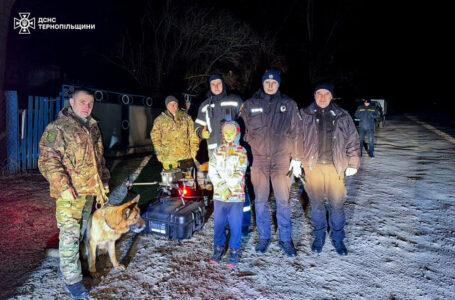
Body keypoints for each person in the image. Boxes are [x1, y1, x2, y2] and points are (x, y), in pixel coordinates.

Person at [38, 88, 110, 299]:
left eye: (90, 103)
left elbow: (100, 159)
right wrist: (63, 186)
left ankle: (67, 266)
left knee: (78, 233)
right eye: (82, 102)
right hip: (69, 194)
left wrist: (103, 180)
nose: (87, 107)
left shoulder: (93, 127)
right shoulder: (58, 127)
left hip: (88, 192)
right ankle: (73, 282)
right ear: (71, 102)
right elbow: (47, 160)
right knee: (69, 235)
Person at [240, 69, 302, 257]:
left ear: (279, 84)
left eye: (274, 83)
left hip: (282, 160)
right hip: (258, 160)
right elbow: (241, 132)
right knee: (260, 201)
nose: (270, 85)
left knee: (283, 201)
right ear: (263, 83)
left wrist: (297, 159)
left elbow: (297, 132)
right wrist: (245, 157)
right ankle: (264, 237)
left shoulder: (289, 104)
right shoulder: (250, 104)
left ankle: (285, 240)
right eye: (267, 82)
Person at [299, 83, 360, 256]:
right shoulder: (304, 114)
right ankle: (319, 237)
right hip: (313, 169)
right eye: (319, 93)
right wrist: (295, 160)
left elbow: (353, 141)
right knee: (317, 206)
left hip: (336, 169)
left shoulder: (342, 115)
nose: (323, 97)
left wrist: (353, 163)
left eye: (326, 93)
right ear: (314, 95)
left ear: (332, 96)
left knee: (337, 206)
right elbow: (295, 139)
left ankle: (338, 239)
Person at [194, 75, 251, 235]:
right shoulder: (205, 106)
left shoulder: (234, 100)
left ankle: (244, 223)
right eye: (213, 84)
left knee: (239, 187)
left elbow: (247, 119)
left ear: (223, 84)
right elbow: (197, 125)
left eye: (219, 83)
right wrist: (201, 132)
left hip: (233, 152)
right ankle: (226, 223)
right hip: (216, 154)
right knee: (220, 188)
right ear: (210, 86)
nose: (216, 86)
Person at [208, 121, 248, 267]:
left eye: (232, 132)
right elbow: (212, 170)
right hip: (220, 195)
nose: (229, 135)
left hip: (235, 197)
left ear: (237, 134)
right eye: (226, 132)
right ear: (223, 134)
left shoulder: (241, 151)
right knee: (218, 224)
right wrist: (220, 185)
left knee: (235, 225)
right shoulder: (217, 151)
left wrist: (229, 186)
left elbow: (240, 171)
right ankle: (218, 248)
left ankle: (234, 251)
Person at [151, 95, 199, 170]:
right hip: (168, 160)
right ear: (167, 106)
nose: (173, 106)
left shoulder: (186, 118)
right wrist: (159, 154)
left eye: (175, 104)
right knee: (171, 180)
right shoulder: (159, 120)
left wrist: (194, 151)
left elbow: (193, 135)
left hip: (185, 158)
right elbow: (155, 138)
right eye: (171, 104)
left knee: (187, 180)